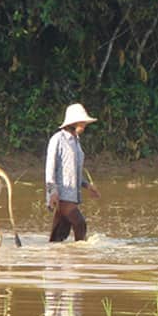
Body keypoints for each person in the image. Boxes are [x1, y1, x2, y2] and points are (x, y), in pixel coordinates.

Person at [45, 103, 101, 242]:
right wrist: (52, 192)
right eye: (83, 122)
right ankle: (81, 256)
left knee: (58, 236)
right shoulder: (58, 139)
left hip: (73, 195)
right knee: (80, 223)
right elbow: (50, 168)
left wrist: (88, 186)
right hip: (62, 194)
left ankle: (56, 259)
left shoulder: (76, 141)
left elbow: (74, 172)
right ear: (73, 122)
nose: (85, 124)